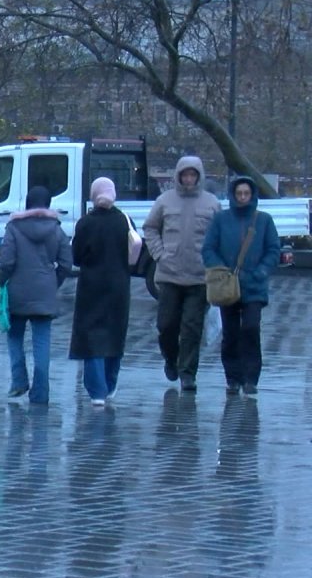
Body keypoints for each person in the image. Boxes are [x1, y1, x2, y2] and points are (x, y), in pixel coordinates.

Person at [143, 156, 221, 392]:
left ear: (199, 176)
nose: (188, 179)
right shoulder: (164, 201)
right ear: (179, 176)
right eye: (185, 175)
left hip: (199, 277)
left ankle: (188, 373)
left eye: (193, 175)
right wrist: (159, 254)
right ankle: (171, 359)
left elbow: (219, 235)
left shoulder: (212, 203)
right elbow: (150, 228)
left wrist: (213, 261)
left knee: (191, 328)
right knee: (166, 325)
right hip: (169, 276)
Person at [202, 176, 280, 397]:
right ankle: (233, 378)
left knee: (251, 329)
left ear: (252, 195)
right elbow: (208, 248)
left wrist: (262, 271)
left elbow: (273, 249)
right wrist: (219, 269)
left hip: (254, 286)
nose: (243, 197)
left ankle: (251, 378)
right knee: (231, 333)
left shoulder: (263, 220)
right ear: (233, 195)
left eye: (246, 193)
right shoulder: (221, 219)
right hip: (228, 285)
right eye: (239, 194)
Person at [0, 186, 72, 404]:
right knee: (42, 342)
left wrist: (3, 283)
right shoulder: (57, 230)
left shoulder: (13, 228)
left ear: (27, 204)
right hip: (45, 293)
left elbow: (6, 262)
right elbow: (66, 263)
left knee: (14, 337)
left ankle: (19, 381)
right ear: (48, 205)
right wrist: (53, 281)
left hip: (16, 292)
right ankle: (40, 393)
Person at [68, 178, 131, 407]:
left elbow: (76, 257)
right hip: (119, 285)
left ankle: (97, 391)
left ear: (94, 195)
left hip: (92, 286)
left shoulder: (86, 223)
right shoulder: (124, 220)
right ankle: (110, 383)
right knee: (115, 332)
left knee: (92, 336)